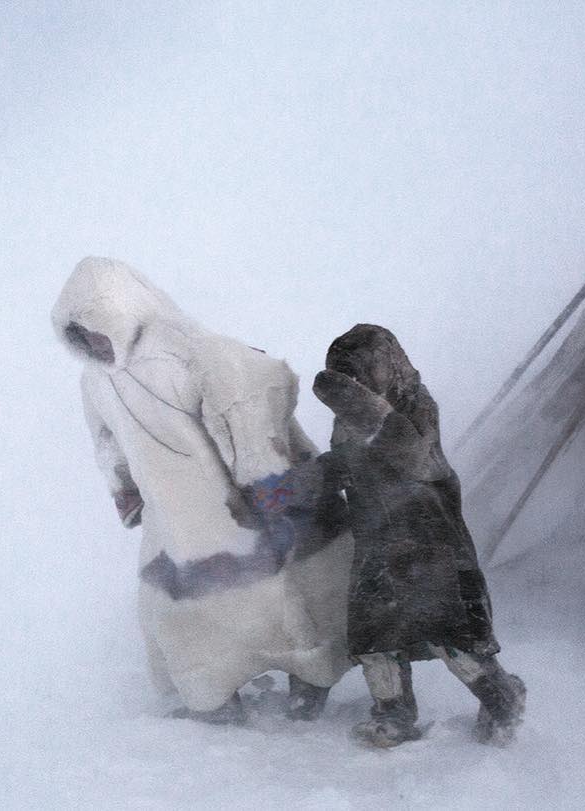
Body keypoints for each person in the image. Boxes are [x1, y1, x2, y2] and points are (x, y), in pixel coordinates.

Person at [52, 257, 353, 724]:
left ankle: (310, 681)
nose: (93, 342)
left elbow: (243, 404)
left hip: (231, 508)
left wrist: (265, 482)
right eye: (80, 335)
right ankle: (214, 696)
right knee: (186, 613)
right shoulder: (94, 382)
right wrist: (124, 488)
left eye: (97, 327)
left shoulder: (186, 353)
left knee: (285, 593)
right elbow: (106, 441)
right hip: (173, 519)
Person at [313, 323, 525, 747]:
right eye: (345, 379)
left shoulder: (417, 406)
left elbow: (413, 455)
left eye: (358, 376)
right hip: (376, 542)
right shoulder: (349, 422)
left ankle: (502, 698)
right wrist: (287, 487)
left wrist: (354, 403)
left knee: (452, 635)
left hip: (429, 542)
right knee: (374, 636)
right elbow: (344, 464)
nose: (353, 388)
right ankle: (394, 715)